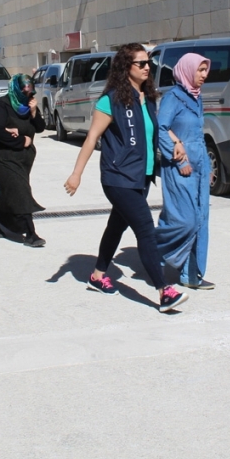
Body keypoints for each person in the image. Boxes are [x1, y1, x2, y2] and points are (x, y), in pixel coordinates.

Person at [64, 43, 188, 313]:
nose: (147, 68)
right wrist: (76, 174)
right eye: (141, 63)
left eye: (148, 64)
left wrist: (175, 141)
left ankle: (97, 275)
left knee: (116, 226)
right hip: (118, 177)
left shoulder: (147, 97)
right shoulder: (110, 100)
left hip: (140, 177)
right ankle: (163, 291)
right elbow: (92, 137)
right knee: (145, 228)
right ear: (125, 67)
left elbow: (154, 130)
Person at [156, 53, 214, 289]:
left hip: (199, 169)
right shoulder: (173, 98)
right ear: (187, 70)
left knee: (200, 221)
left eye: (205, 70)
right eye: (200, 70)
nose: (204, 75)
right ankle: (154, 249)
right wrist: (181, 161)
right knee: (184, 221)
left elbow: (198, 136)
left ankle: (191, 275)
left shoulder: (196, 98)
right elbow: (161, 129)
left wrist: (207, 167)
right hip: (180, 169)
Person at [0, 74, 46, 247]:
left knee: (10, 193)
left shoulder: (29, 104)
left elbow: (40, 128)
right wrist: (21, 141)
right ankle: (31, 233)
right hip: (6, 158)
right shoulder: (3, 104)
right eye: (24, 90)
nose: (27, 94)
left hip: (24, 160)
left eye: (30, 91)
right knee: (21, 192)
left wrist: (34, 112)